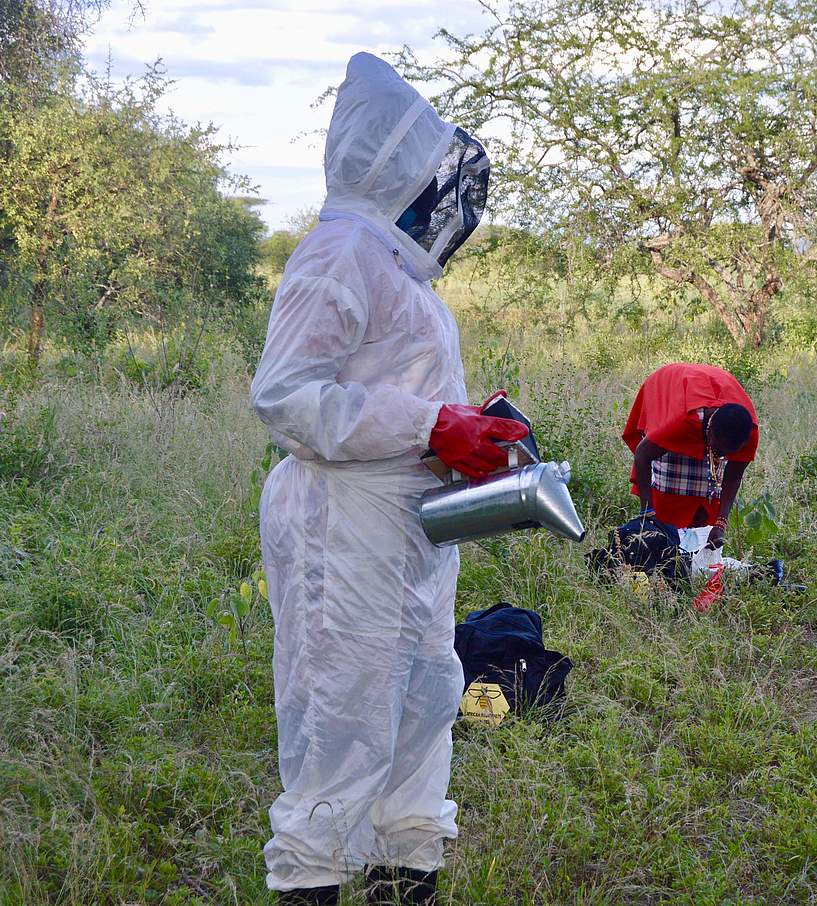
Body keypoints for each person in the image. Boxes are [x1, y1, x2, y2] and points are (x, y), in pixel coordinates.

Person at [249, 53, 528, 906]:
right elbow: (288, 396)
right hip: (343, 519)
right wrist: (431, 426)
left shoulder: (396, 267)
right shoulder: (339, 254)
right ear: (395, 165)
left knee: (424, 691)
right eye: (430, 166)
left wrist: (473, 422)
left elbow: (397, 390)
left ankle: (404, 871)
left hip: (409, 520)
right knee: (346, 708)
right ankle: (312, 876)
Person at [622, 363, 759, 551]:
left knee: (706, 488)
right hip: (669, 387)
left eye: (728, 453)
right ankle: (667, 540)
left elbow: (733, 476)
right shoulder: (680, 423)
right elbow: (643, 455)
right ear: (710, 432)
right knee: (670, 480)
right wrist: (647, 513)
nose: (722, 456)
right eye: (719, 449)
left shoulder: (747, 432)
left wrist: (720, 524)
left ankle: (691, 545)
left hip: (717, 390)